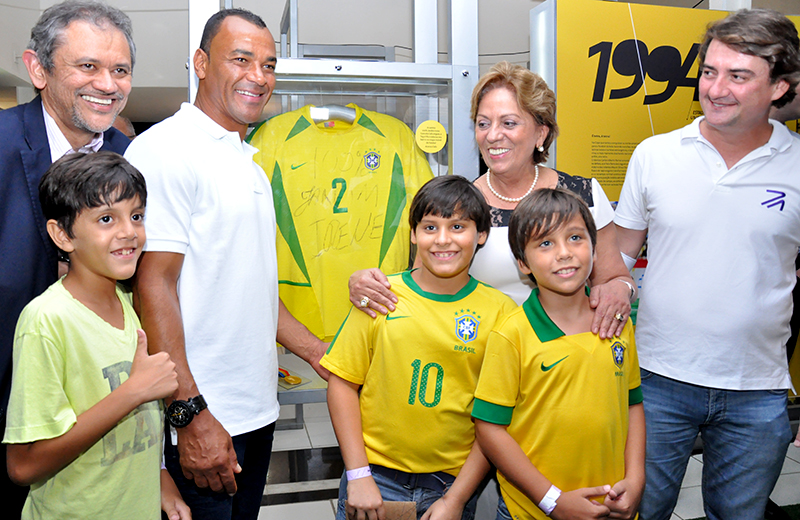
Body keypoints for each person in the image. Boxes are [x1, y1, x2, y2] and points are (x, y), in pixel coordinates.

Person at [125, 8, 328, 520]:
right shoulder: (167, 150)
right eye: (240, 59)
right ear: (200, 63)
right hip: (202, 417)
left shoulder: (246, 161)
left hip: (254, 411)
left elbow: (250, 289)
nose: (258, 76)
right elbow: (153, 285)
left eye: (269, 64)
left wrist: (318, 352)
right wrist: (189, 414)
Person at [614, 9, 800, 520]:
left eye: (738, 76)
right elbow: (621, 251)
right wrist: (613, 285)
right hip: (656, 379)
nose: (716, 89)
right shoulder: (655, 154)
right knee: (639, 511)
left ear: (779, 87)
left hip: (758, 390)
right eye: (710, 72)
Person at [349, 62, 635, 339]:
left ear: (541, 132)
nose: (493, 135)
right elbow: (420, 289)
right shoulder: (458, 205)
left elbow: (615, 278)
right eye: (483, 123)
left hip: (565, 356)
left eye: (508, 123)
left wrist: (620, 289)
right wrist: (368, 287)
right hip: (478, 356)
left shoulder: (584, 195)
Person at [3, 152, 190, 520]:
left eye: (136, 216)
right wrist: (133, 392)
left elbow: (133, 434)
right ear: (63, 234)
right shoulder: (46, 321)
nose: (129, 232)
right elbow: (23, 465)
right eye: (106, 219)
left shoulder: (129, 306)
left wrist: (160, 479)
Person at [0, 1, 134, 513]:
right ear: (38, 69)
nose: (107, 84)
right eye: (88, 66)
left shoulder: (133, 156)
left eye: (120, 70)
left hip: (106, 428)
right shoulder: (3, 144)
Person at [322, 175, 517, 520]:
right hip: (375, 478)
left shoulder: (501, 313)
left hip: (451, 486)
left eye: (458, 226)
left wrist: (456, 499)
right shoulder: (381, 296)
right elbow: (342, 384)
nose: (443, 239)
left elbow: (495, 416)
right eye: (429, 227)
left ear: (481, 235)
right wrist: (358, 475)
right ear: (413, 234)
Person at [473, 188, 644, 520]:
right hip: (531, 510)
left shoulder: (617, 323)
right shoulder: (511, 334)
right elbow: (489, 429)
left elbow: (632, 404)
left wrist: (636, 479)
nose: (564, 253)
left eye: (575, 238)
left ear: (594, 248)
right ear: (523, 263)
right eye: (545, 244)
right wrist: (552, 501)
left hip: (610, 505)